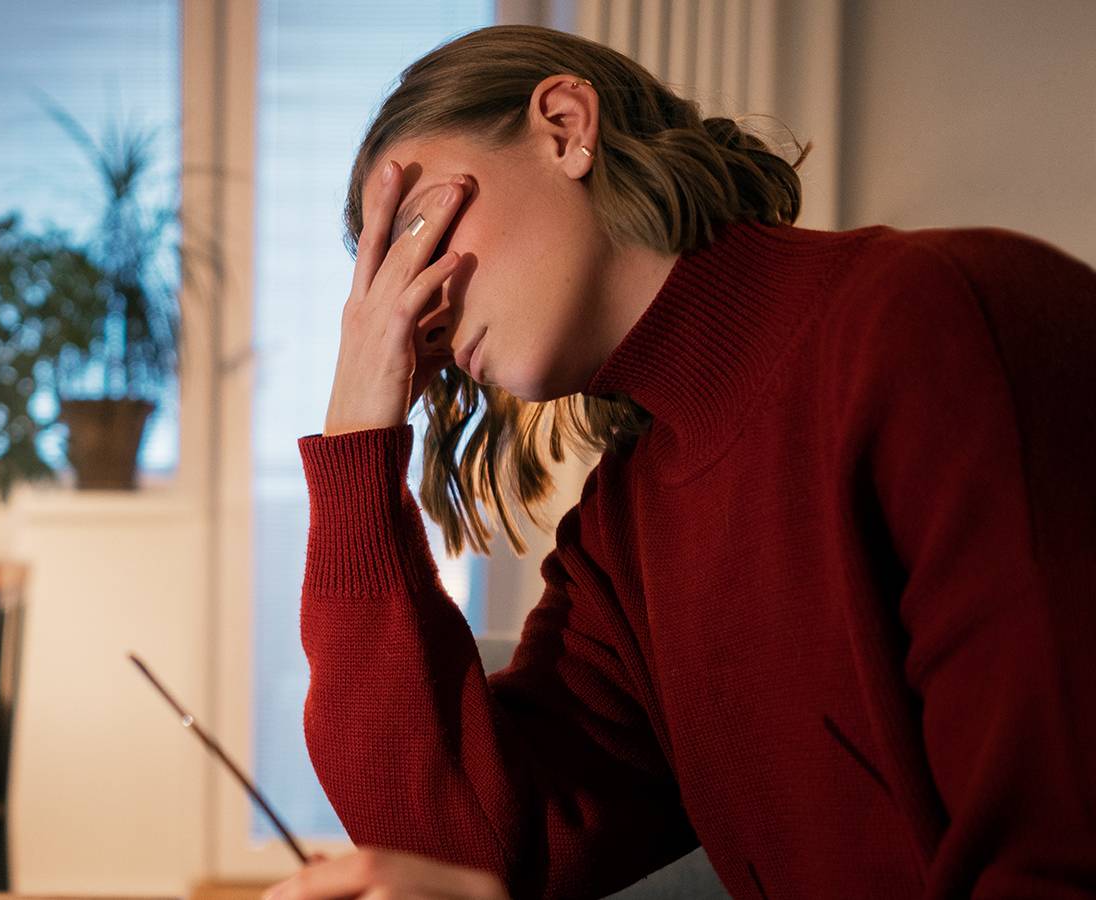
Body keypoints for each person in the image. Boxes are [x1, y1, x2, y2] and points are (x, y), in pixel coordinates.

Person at [267, 23, 1096, 900]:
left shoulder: (936, 321)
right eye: (387, 278)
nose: (416, 308)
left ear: (563, 125)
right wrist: (358, 442)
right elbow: (459, 853)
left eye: (423, 230)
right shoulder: (622, 535)